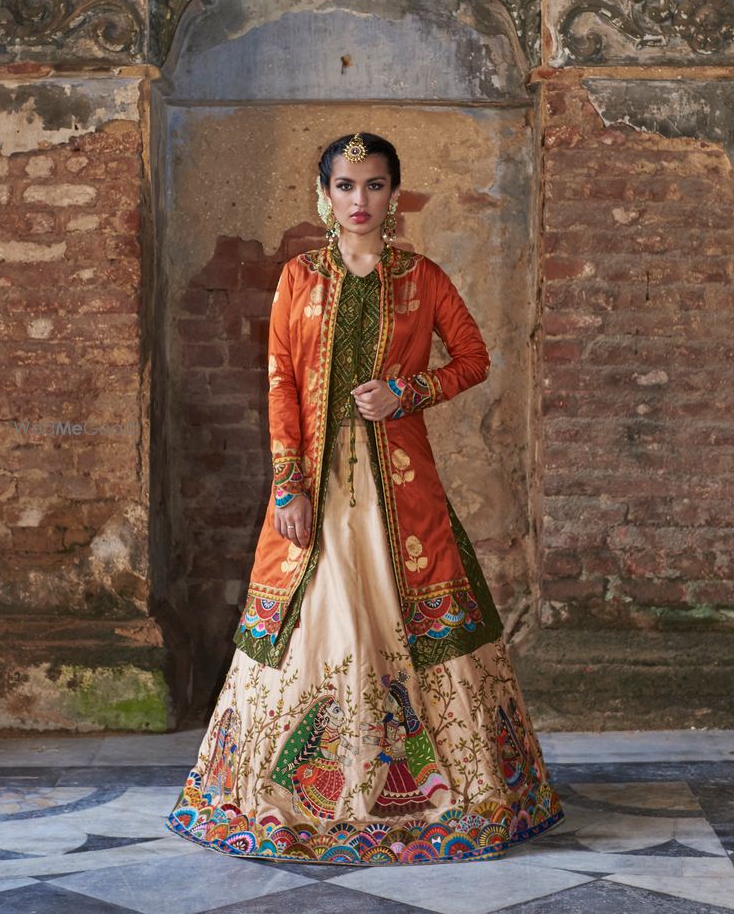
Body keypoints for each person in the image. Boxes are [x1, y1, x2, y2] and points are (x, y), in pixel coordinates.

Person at [165, 130, 565, 866]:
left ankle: (446, 794)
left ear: (393, 195)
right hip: (315, 491)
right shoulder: (298, 278)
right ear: (325, 194)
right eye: (345, 185)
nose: (359, 200)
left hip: (400, 496)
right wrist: (288, 483)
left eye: (374, 185)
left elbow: (474, 358)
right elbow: (281, 379)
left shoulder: (423, 278)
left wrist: (407, 392)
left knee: (407, 621)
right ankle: (291, 801)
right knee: (316, 622)